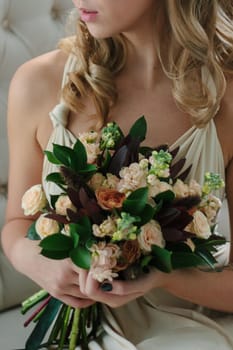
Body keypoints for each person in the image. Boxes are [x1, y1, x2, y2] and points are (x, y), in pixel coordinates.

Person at [1, 0, 233, 349]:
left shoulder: (225, 97)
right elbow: (17, 223)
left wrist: (161, 278)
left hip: (191, 324)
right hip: (84, 330)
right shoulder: (38, 84)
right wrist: (40, 264)